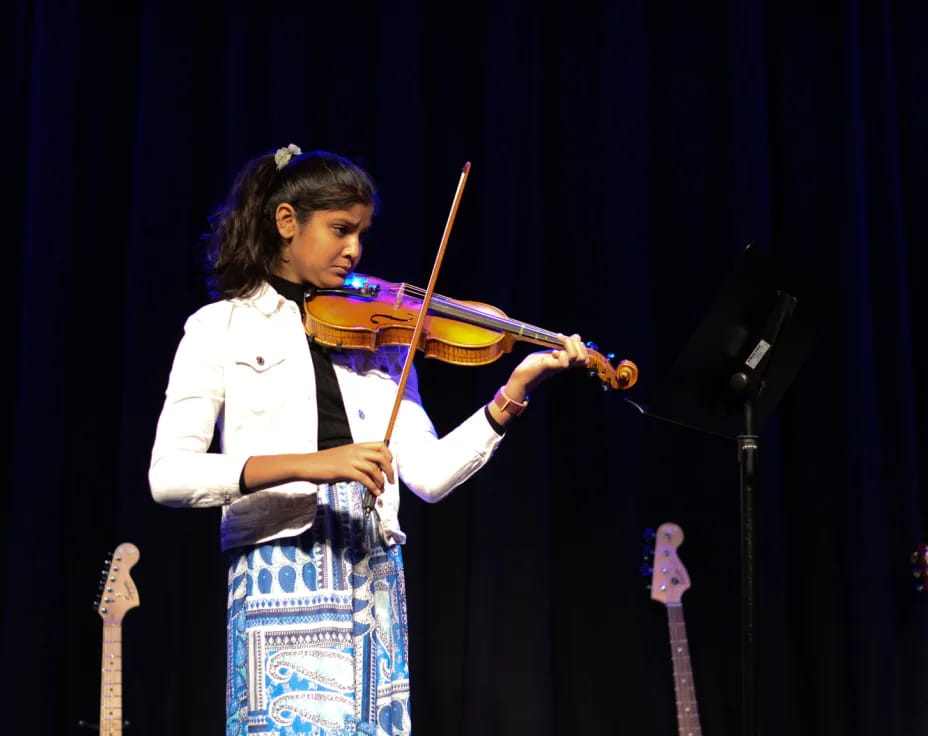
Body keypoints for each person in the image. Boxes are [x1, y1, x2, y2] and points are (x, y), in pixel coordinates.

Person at [149, 144, 590, 736]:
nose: (355, 249)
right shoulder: (217, 329)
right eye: (339, 230)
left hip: (371, 567)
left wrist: (512, 391)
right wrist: (316, 464)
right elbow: (170, 475)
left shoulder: (377, 337)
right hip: (282, 566)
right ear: (287, 222)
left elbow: (429, 476)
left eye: (361, 233)